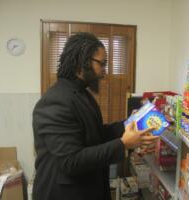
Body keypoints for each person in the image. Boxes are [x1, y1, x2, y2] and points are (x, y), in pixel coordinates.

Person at [32, 32, 158, 200]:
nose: (104, 72)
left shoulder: (81, 94)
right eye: (102, 64)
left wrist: (129, 122)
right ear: (82, 62)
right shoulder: (56, 101)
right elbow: (71, 161)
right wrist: (123, 144)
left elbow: (95, 135)